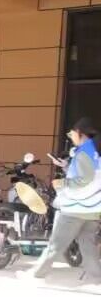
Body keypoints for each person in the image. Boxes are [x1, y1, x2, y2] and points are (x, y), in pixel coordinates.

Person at [28, 117, 101, 281]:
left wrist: (62, 183)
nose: (71, 137)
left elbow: (85, 179)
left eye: (71, 134)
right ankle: (96, 279)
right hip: (92, 208)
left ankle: (36, 274)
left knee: (55, 245)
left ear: (80, 133)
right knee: (88, 246)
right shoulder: (94, 151)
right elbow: (90, 175)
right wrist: (66, 166)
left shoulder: (83, 153)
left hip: (75, 207)